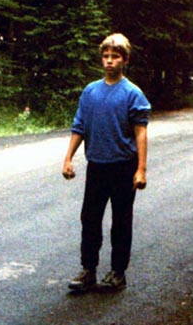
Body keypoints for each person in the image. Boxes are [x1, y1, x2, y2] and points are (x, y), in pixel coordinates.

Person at [62, 33, 151, 292]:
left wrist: (141, 169)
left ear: (125, 60)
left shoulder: (133, 93)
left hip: (123, 166)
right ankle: (88, 270)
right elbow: (79, 126)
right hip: (97, 165)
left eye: (115, 57)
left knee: (121, 221)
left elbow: (141, 132)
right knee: (90, 219)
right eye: (106, 56)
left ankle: (117, 273)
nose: (110, 61)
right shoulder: (91, 91)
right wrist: (68, 158)